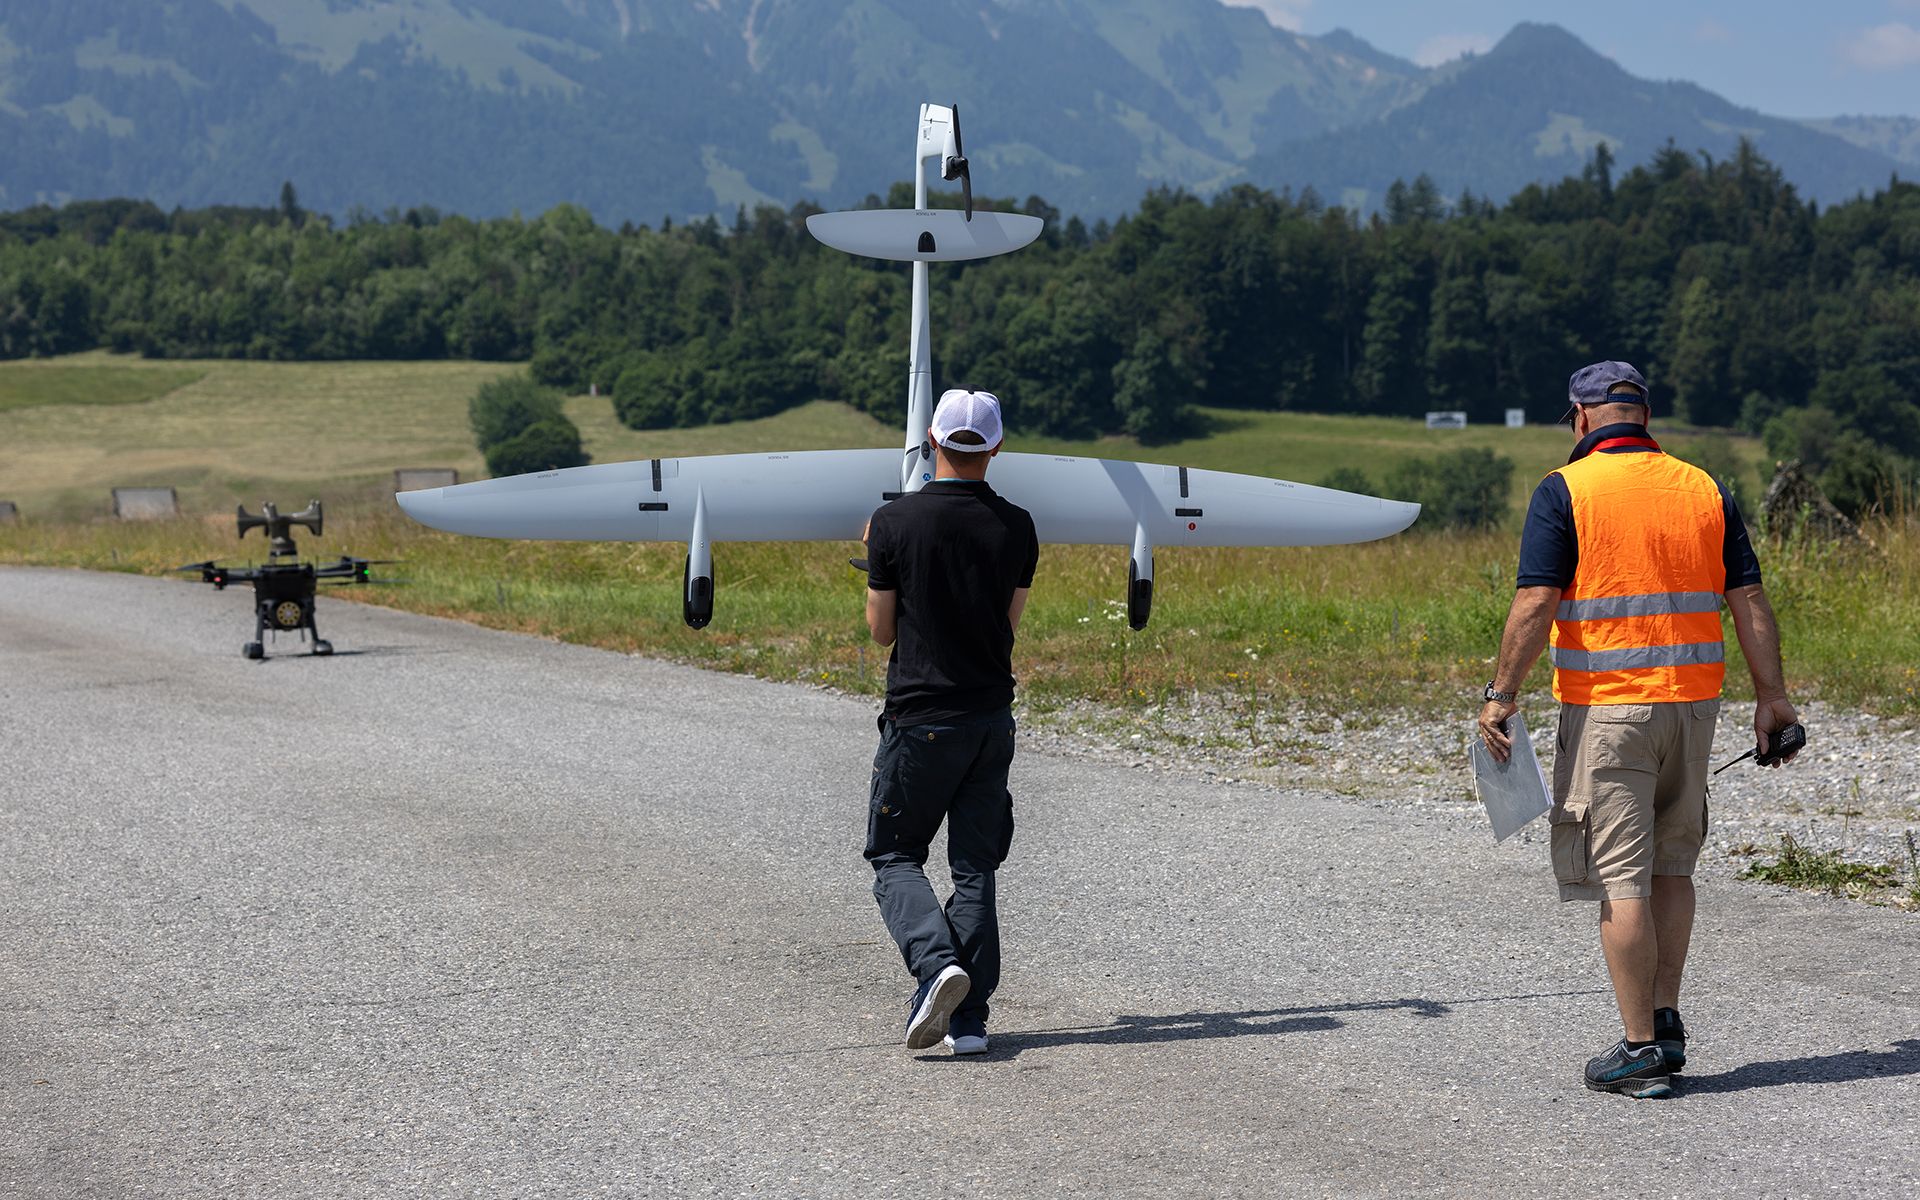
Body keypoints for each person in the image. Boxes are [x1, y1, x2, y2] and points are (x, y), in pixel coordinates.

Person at [1476, 361, 1799, 1099]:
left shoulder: (1566, 489)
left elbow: (1536, 602)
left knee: (1620, 879)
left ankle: (1641, 1050)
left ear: (1581, 417)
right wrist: (1773, 698)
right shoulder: (1704, 487)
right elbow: (1748, 597)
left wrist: (1501, 696)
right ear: (1644, 416)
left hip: (1610, 713)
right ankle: (1665, 1018)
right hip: (1694, 710)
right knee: (1672, 869)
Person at [861, 387, 1038, 1056]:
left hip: (921, 717)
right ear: (996, 448)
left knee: (894, 854)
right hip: (989, 719)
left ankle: (936, 966)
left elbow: (882, 631)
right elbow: (1007, 625)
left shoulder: (893, 522)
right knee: (974, 866)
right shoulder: (1018, 526)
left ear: (932, 440)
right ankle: (969, 1022)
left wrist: (877, 556)